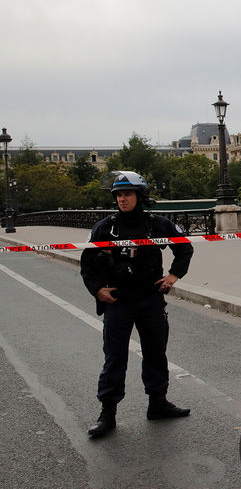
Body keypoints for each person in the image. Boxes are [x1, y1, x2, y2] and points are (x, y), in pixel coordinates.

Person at [80, 171, 194, 439]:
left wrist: (174, 275)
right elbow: (87, 263)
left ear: (140, 196)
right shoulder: (105, 228)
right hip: (119, 302)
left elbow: (185, 247)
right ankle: (107, 414)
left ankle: (158, 403)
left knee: (156, 352)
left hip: (151, 300)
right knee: (115, 357)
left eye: (127, 194)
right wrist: (97, 290)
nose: (122, 199)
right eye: (118, 195)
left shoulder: (157, 224)